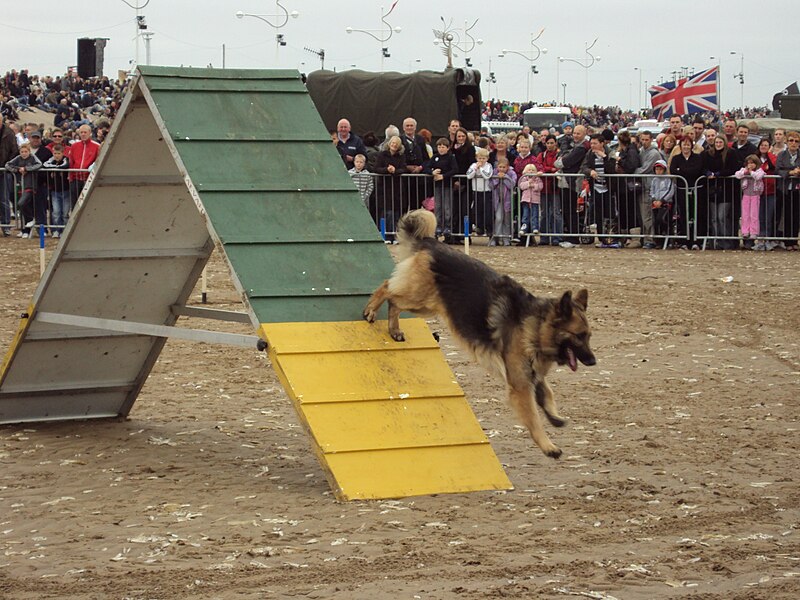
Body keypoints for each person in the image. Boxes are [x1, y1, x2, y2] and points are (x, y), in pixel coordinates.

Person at [581, 134, 618, 247]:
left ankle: (611, 238)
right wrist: (590, 171)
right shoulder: (590, 154)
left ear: (602, 143)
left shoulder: (610, 152)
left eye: (595, 143)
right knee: (598, 215)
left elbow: (612, 169)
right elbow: (584, 167)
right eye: (591, 143)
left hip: (609, 188)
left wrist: (605, 157)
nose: (592, 145)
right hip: (596, 187)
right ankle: (601, 238)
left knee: (610, 214)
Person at [703, 135, 739, 249]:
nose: (718, 144)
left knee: (721, 217)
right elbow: (703, 167)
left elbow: (733, 168)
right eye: (716, 142)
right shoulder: (708, 154)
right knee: (714, 218)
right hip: (712, 190)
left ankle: (726, 241)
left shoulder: (731, 153)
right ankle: (716, 241)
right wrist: (708, 173)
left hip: (726, 190)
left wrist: (719, 174)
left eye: (720, 142)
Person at [669, 137, 705, 249]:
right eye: (684, 144)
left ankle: (696, 241)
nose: (686, 147)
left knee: (696, 214)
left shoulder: (697, 157)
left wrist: (682, 170)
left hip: (695, 189)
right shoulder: (676, 158)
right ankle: (685, 240)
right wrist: (686, 170)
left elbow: (697, 170)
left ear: (691, 146)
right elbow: (673, 170)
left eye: (688, 144)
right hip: (681, 189)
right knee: (683, 214)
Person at [5, 141, 42, 238]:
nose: (24, 153)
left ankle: (30, 220)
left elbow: (39, 164)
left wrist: (27, 169)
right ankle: (25, 230)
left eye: (26, 151)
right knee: (22, 208)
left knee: (21, 203)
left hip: (30, 186)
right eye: (22, 152)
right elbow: (8, 165)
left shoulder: (33, 158)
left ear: (29, 152)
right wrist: (17, 169)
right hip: (20, 185)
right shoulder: (18, 158)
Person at [424, 137, 458, 241]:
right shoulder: (435, 157)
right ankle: (438, 227)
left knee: (447, 207)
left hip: (447, 185)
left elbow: (455, 169)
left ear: (447, 148)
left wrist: (444, 176)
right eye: (439, 147)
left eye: (443, 147)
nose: (441, 149)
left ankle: (448, 226)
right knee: (438, 207)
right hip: (437, 186)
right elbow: (427, 167)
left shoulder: (451, 158)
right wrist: (432, 172)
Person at [560, 124, 590, 243]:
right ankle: (571, 233)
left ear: (584, 134)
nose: (575, 135)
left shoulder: (581, 148)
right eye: (575, 133)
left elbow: (565, 162)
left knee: (571, 209)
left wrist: (562, 161)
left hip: (573, 181)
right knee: (567, 208)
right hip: (569, 180)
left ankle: (574, 235)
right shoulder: (574, 145)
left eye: (578, 133)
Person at [635, 131, 664, 249]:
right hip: (642, 186)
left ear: (651, 139)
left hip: (649, 187)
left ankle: (650, 239)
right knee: (643, 215)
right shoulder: (642, 151)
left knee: (647, 215)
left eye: (647, 140)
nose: (644, 142)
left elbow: (645, 169)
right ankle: (645, 237)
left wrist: (630, 170)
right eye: (642, 139)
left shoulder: (654, 153)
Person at [535, 134, 562, 246]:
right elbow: (539, 166)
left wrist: (548, 170)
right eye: (548, 143)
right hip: (544, 188)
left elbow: (559, 167)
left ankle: (557, 237)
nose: (550, 145)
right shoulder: (542, 155)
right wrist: (551, 169)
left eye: (552, 143)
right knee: (544, 213)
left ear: (555, 143)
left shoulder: (559, 154)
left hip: (555, 188)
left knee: (556, 213)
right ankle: (544, 237)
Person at [614, 130, 641, 240]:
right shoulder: (627, 150)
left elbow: (631, 166)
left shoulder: (631, 151)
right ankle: (625, 236)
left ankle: (633, 237)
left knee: (630, 211)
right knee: (623, 211)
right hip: (623, 187)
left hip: (628, 187)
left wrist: (620, 161)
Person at [776, 131, 800, 250]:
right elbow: (778, 169)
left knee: (796, 215)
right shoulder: (782, 155)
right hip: (784, 188)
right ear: (787, 141)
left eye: (796, 141)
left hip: (797, 189)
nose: (793, 143)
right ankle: (787, 241)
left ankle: (794, 240)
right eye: (791, 140)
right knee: (786, 215)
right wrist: (790, 172)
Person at [735, 155, 765, 246]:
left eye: (752, 163)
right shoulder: (744, 170)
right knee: (745, 214)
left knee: (754, 214)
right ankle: (745, 231)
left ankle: (754, 232)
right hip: (746, 195)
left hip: (755, 195)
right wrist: (745, 172)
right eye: (749, 163)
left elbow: (758, 176)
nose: (750, 165)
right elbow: (737, 174)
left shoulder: (760, 171)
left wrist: (751, 172)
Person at [68, 123, 100, 208]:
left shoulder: (97, 146)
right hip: (75, 179)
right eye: (81, 132)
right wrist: (71, 177)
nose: (83, 134)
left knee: (88, 204)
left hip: (88, 179)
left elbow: (98, 161)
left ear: (90, 133)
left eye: (85, 132)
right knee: (74, 204)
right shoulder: (74, 146)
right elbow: (71, 161)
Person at [451, 127, 475, 236]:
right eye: (459, 136)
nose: (461, 138)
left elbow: (471, 165)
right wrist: (455, 181)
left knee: (465, 209)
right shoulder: (452, 149)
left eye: (463, 136)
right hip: (453, 182)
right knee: (454, 209)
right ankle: (454, 233)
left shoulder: (470, 149)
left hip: (466, 183)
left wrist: (462, 182)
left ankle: (465, 234)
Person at [43, 144, 70, 238]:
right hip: (54, 191)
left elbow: (66, 165)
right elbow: (45, 165)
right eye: (55, 153)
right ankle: (56, 230)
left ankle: (65, 230)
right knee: (56, 212)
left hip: (66, 190)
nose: (57, 155)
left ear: (62, 153)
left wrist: (55, 169)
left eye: (59, 153)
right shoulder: (51, 160)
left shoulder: (66, 159)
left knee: (65, 212)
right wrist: (54, 167)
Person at [466, 147, 493, 237]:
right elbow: (469, 175)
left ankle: (489, 229)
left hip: (486, 191)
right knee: (477, 211)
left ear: (487, 158)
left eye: (483, 158)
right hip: (476, 191)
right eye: (480, 158)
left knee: (487, 211)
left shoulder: (488, 166)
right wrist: (475, 169)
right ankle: (479, 227)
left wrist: (481, 169)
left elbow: (487, 176)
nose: (481, 160)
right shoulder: (473, 165)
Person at [756, 138, 778, 250]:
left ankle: (768, 238)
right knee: (760, 217)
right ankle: (760, 239)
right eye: (762, 145)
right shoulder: (755, 158)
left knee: (769, 216)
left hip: (770, 191)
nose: (763, 147)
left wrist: (768, 156)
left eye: (766, 145)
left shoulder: (773, 157)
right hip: (757, 192)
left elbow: (773, 167)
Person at [489, 158, 517, 246]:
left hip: (508, 200)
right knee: (498, 218)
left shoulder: (512, 173)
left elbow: (512, 185)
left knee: (507, 220)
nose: (501, 169)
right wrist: (497, 178)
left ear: (507, 167)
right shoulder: (494, 172)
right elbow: (491, 184)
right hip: (497, 200)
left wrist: (505, 178)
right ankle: (496, 237)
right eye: (500, 167)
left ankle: (506, 238)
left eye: (503, 167)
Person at [0, 113, 18, 236]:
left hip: (4, 170)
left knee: (4, 199)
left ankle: (6, 225)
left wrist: (7, 165)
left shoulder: (9, 133)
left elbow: (14, 151)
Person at [649, 159, 675, 245]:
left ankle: (668, 239)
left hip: (666, 204)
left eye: (660, 169)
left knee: (662, 219)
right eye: (657, 169)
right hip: (656, 204)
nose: (658, 171)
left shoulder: (669, 179)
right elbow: (651, 191)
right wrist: (654, 200)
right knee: (656, 221)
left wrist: (662, 201)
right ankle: (659, 241)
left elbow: (670, 191)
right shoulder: (654, 180)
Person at [517, 163, 542, 244]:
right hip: (525, 199)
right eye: (529, 170)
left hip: (535, 199)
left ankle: (535, 228)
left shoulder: (537, 178)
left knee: (535, 214)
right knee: (525, 215)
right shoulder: (524, 178)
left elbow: (540, 186)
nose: (530, 171)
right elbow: (521, 186)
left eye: (532, 170)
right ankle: (524, 228)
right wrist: (528, 183)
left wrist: (534, 185)